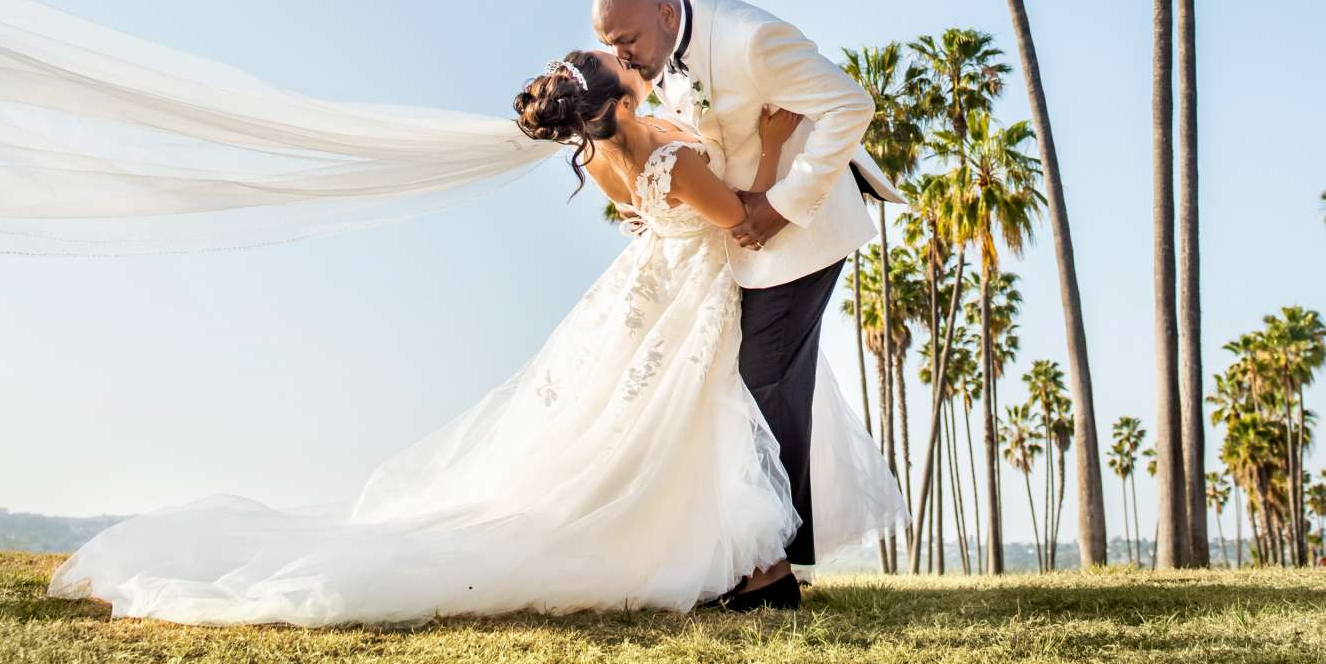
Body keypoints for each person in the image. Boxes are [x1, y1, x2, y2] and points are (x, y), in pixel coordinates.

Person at [50, 49, 902, 624]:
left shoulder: (596, 158)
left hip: (647, 292)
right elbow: (740, 226)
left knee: (650, 427)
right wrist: (784, 138)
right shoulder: (671, 161)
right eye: (619, 62)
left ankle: (754, 570)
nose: (632, 61)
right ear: (614, 94)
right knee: (700, 418)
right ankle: (755, 572)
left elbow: (650, 219)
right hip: (689, 294)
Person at [590, 0, 900, 609]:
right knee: (769, 384)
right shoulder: (654, 50)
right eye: (609, 43)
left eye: (627, 40)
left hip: (802, 229)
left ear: (667, 16)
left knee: (761, 380)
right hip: (734, 232)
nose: (619, 57)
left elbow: (851, 104)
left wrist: (783, 203)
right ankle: (781, 561)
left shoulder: (749, 40)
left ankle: (769, 573)